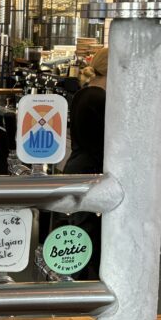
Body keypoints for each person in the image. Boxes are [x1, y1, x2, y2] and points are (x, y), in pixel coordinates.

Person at [53, 47, 108, 279]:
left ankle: (75, 289)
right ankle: (84, 293)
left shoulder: (86, 93)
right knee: (87, 237)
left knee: (78, 233)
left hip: (77, 168)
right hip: (89, 173)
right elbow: (105, 143)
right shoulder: (100, 97)